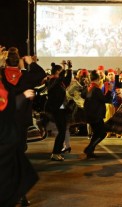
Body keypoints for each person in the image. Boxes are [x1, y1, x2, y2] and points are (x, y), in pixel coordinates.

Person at [0, 46, 39, 206]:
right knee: (16, 160)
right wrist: (32, 64)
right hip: (13, 125)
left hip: (8, 125)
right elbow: (40, 75)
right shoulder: (25, 76)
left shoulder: (3, 77)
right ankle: (19, 195)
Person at [45, 62, 72, 161]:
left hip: (61, 109)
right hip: (56, 110)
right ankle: (55, 153)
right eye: (61, 72)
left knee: (62, 131)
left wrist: (69, 69)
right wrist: (64, 70)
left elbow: (67, 81)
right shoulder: (52, 81)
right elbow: (59, 80)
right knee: (61, 131)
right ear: (57, 72)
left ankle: (57, 152)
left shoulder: (59, 81)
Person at [83, 70, 112, 158]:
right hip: (96, 115)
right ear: (98, 79)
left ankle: (90, 151)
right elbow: (105, 100)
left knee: (96, 133)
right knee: (102, 133)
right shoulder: (96, 89)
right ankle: (89, 148)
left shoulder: (89, 88)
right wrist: (109, 91)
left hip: (90, 114)